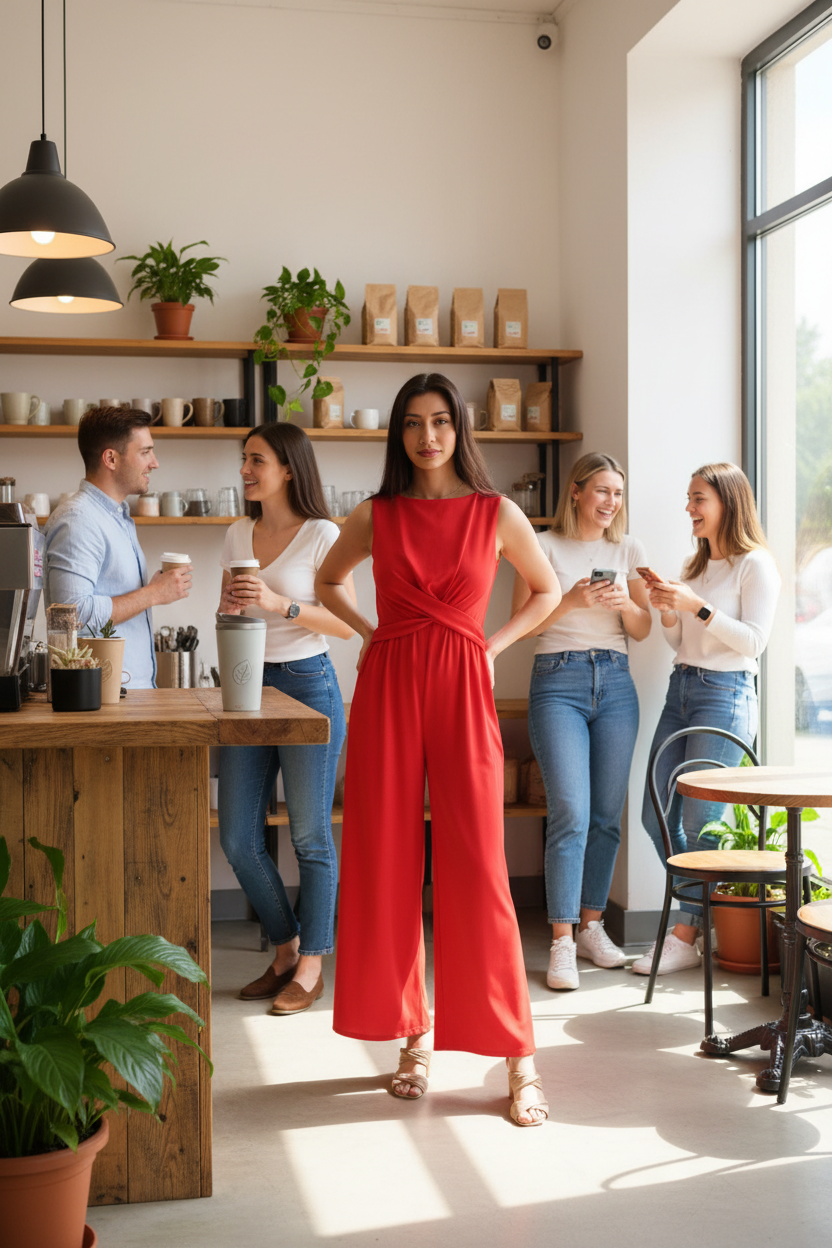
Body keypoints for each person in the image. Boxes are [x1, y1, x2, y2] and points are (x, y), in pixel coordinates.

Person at [315, 373, 561, 1126]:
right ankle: (411, 1039)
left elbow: (547, 591)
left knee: (479, 865)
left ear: (461, 429)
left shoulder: (497, 511)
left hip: (461, 680)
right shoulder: (375, 513)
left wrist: (490, 645)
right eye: (414, 424)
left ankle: (520, 1060)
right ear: (399, 435)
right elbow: (327, 581)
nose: (428, 437)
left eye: (441, 423)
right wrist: (370, 635)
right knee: (385, 859)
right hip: (389, 682)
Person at [218, 423, 354, 1016]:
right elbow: (229, 612)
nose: (246, 469)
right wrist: (231, 607)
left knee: (309, 836)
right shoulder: (236, 532)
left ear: (289, 468)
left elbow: (348, 623)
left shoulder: (324, 534)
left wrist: (280, 604)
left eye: (257, 460)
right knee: (239, 838)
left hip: (308, 685)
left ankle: (313, 963)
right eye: (244, 459)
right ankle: (285, 946)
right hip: (248, 686)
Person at [633, 462, 781, 976]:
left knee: (702, 821)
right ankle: (698, 916)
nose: (690, 509)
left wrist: (696, 607)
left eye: (699, 499)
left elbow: (755, 642)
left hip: (726, 692)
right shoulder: (695, 566)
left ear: (727, 503)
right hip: (683, 687)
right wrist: (669, 611)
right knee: (656, 813)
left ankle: (685, 932)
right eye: (690, 499)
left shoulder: (755, 564)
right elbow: (679, 642)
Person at [512, 452, 651, 992]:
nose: (610, 502)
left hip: (616, 681)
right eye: (601, 491)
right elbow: (522, 628)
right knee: (570, 811)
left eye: (617, 493)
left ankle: (593, 928)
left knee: (606, 816)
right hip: (558, 679)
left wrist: (623, 605)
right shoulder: (542, 545)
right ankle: (562, 941)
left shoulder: (628, 549)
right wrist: (569, 601)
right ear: (575, 492)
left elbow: (641, 630)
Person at [45, 405, 191, 688]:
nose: (155, 462)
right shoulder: (79, 521)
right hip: (100, 701)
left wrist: (154, 593)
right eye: (145, 452)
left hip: (125, 697)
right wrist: (153, 594)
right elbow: (72, 617)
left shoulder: (116, 517)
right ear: (111, 458)